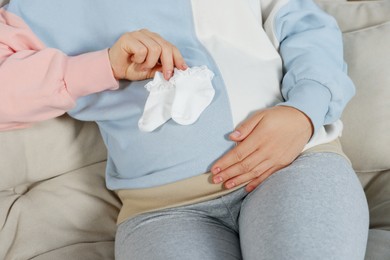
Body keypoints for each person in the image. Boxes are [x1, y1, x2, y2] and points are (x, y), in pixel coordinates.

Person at [0, 0, 369, 259]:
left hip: (289, 167)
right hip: (161, 212)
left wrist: (304, 111)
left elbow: (308, 27)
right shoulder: (32, 10)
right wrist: (105, 66)